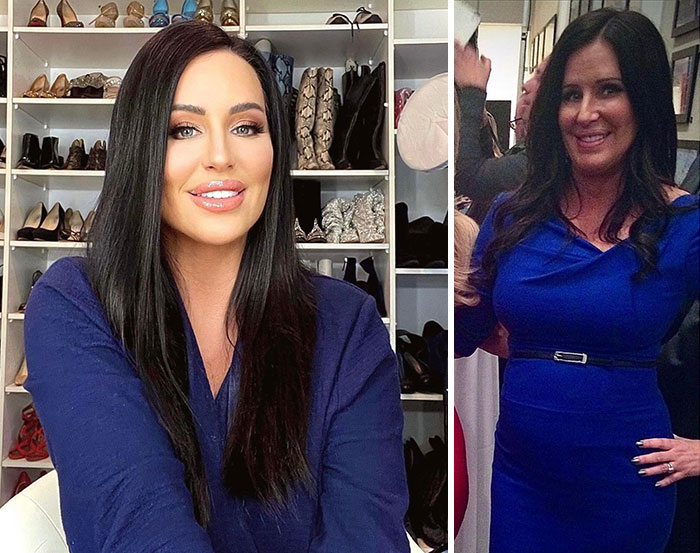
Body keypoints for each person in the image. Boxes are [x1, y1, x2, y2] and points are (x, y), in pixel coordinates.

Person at [23, 22, 409, 553]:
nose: (221, 155)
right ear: (139, 148)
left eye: (247, 127)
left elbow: (365, 535)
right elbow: (137, 525)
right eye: (183, 130)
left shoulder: (348, 325)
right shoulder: (77, 304)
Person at [454, 9, 699, 553]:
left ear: (644, 99)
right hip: (523, 480)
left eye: (609, 90)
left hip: (626, 484)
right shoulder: (512, 214)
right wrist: (446, 284)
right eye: (570, 95)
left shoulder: (684, 224)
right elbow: (464, 332)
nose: (586, 113)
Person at [454, 42, 548, 223]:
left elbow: (469, 176)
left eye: (540, 77)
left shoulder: (540, 163)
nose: (526, 85)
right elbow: (485, 169)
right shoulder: (529, 154)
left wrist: (473, 92)